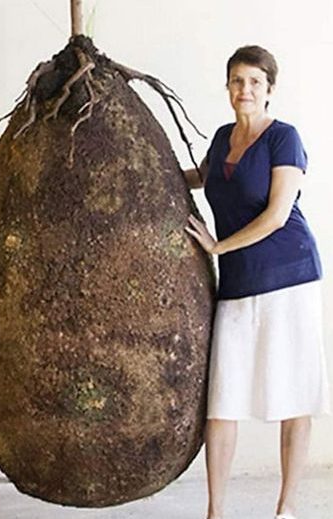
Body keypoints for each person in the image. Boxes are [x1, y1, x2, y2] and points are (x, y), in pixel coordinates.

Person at [184, 45, 330, 519]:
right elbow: (199, 178)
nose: (243, 90)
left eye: (253, 82)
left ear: (269, 90)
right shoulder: (224, 138)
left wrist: (218, 247)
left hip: (288, 274)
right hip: (239, 283)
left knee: (294, 392)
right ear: (227, 87)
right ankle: (215, 511)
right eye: (236, 81)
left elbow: (278, 214)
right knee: (223, 399)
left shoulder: (283, 138)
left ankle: (286, 507)